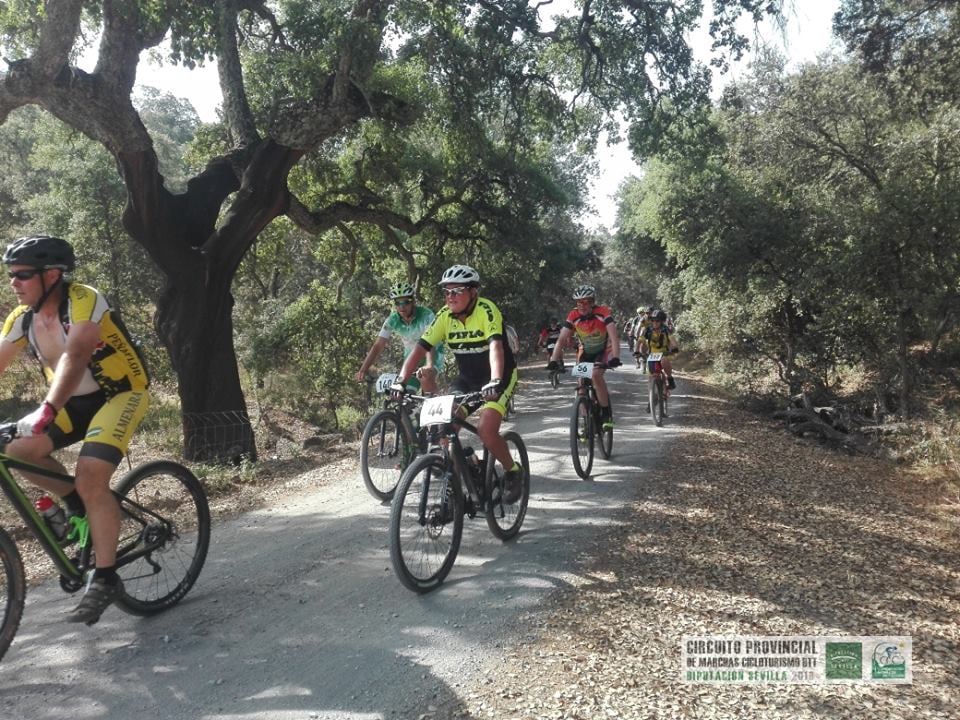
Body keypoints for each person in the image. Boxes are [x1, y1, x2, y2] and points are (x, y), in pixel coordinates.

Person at [0, 235, 150, 625]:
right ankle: (78, 507)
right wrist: (50, 410)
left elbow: (77, 353)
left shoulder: (83, 299)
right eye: (10, 275)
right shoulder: (22, 318)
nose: (13, 282)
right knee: (17, 452)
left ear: (52, 275)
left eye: (22, 275)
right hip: (73, 403)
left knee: (91, 477)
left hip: (119, 393)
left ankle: (105, 576)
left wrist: (47, 409)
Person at [390, 264, 523, 503]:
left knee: (486, 430)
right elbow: (419, 350)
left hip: (499, 376)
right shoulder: (444, 316)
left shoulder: (487, 310)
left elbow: (495, 347)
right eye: (446, 292)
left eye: (456, 291)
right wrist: (400, 381)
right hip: (467, 379)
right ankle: (467, 467)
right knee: (443, 428)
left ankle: (513, 471)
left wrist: (494, 380)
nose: (450, 297)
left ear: (473, 292)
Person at [546, 284, 621, 428]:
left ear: (592, 302)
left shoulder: (603, 312)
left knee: (596, 375)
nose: (582, 306)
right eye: (579, 302)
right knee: (581, 386)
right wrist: (554, 360)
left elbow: (614, 336)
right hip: (585, 353)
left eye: (585, 302)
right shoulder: (573, 315)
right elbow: (561, 339)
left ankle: (606, 415)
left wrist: (616, 358)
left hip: (602, 351)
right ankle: (586, 424)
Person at [355, 281, 442, 394]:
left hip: (432, 354)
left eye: (406, 302)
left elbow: (430, 343)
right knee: (405, 393)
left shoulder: (426, 315)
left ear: (413, 302)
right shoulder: (392, 320)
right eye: (398, 303)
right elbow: (378, 346)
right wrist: (363, 369)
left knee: (427, 385)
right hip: (411, 358)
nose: (402, 306)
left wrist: (429, 365)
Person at [634, 308, 679, 389]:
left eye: (657, 321)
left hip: (664, 354)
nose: (654, 323)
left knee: (664, 360)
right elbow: (639, 341)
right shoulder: (648, 330)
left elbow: (672, 340)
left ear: (661, 321)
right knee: (651, 377)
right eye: (653, 320)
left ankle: (670, 379)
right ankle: (651, 398)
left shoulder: (665, 329)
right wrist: (636, 351)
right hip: (652, 355)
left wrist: (675, 347)